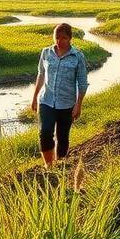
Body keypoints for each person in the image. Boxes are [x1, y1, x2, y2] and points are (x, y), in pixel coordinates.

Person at [31, 23, 88, 167]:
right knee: (45, 132)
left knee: (63, 137)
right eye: (57, 37)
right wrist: (34, 98)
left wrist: (78, 105)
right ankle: (48, 166)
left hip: (67, 103)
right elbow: (41, 75)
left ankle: (60, 164)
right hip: (47, 100)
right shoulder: (46, 52)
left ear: (70, 38)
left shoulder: (78, 56)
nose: (59, 41)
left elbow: (82, 83)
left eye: (63, 38)